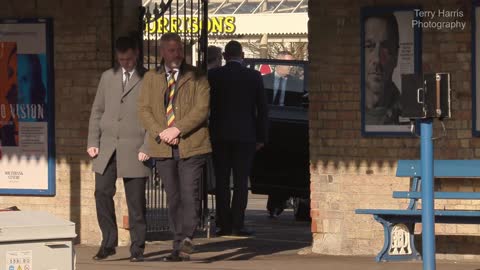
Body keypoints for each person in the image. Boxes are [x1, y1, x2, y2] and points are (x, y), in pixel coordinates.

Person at [137, 33, 211, 262]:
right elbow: (143, 109)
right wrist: (161, 132)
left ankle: (187, 237)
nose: (176, 54)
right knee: (174, 198)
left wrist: (177, 129)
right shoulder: (151, 77)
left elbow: (202, 108)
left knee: (190, 194)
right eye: (171, 50)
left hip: (192, 145)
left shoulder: (197, 75)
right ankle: (177, 246)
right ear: (162, 52)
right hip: (163, 148)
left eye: (179, 49)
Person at [87, 36, 150, 263]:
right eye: (122, 59)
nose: (126, 63)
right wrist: (92, 141)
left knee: (136, 203)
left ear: (137, 54)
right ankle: (108, 243)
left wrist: (147, 145)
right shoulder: (107, 77)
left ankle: (137, 249)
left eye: (130, 59)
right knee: (101, 193)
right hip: (107, 147)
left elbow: (155, 117)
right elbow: (97, 111)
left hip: (135, 148)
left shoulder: (148, 79)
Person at [208, 40, 268, 236]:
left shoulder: (214, 76)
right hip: (245, 135)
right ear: (242, 56)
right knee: (241, 181)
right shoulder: (253, 76)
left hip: (220, 135)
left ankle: (223, 224)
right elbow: (262, 109)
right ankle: (238, 224)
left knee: (222, 181)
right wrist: (261, 136)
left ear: (225, 56)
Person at [364, 13, 402, 125]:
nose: (377, 59)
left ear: (396, 55)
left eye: (385, 47)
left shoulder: (405, 113)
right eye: (369, 46)